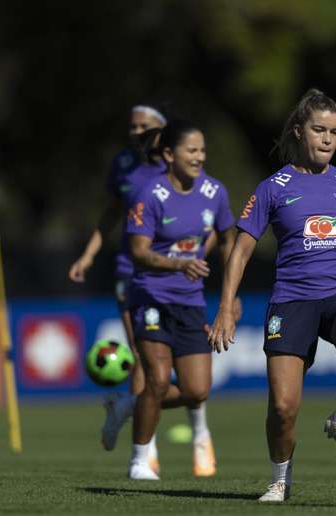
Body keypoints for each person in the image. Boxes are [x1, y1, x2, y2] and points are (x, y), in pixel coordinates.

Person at [208, 89, 336, 503]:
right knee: (282, 409)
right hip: (291, 302)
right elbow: (240, 252)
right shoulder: (272, 188)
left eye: (334, 131)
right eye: (319, 130)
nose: (328, 139)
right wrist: (226, 307)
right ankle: (280, 480)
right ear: (300, 131)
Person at [123, 120, 236, 480]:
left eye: (202, 150)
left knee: (196, 391)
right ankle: (140, 460)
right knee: (156, 380)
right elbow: (138, 252)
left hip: (191, 302)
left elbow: (228, 239)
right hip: (151, 297)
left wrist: (229, 297)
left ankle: (132, 404)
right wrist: (177, 264)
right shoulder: (148, 195)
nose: (199, 157)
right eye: (191, 150)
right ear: (170, 154)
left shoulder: (215, 192)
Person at [68, 103, 167, 472]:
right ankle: (145, 452)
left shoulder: (177, 164)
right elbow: (111, 214)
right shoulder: (124, 164)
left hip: (171, 273)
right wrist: (88, 256)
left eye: (144, 126)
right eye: (132, 126)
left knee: (183, 376)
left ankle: (125, 408)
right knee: (142, 353)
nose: (136, 131)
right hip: (131, 269)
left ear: (161, 130)